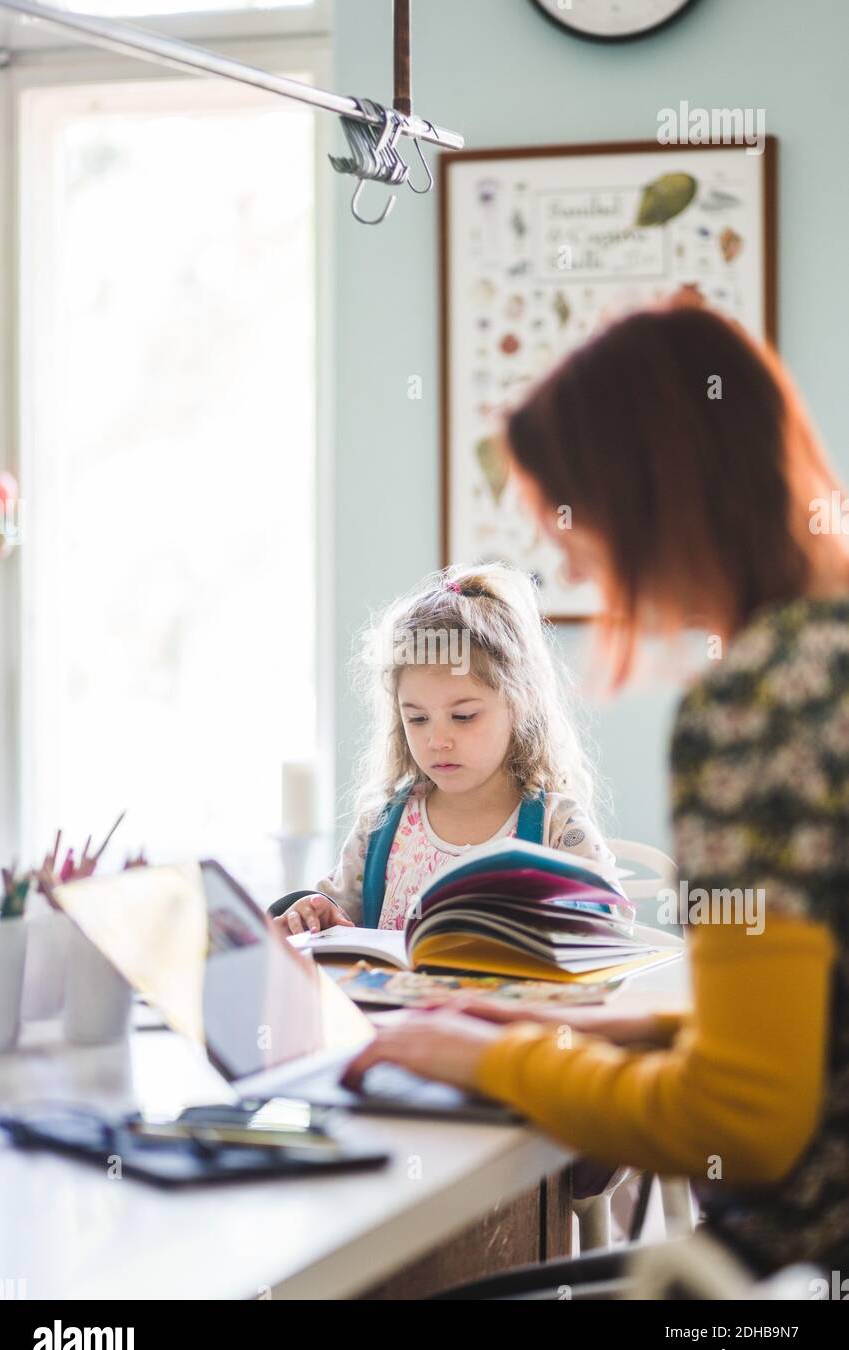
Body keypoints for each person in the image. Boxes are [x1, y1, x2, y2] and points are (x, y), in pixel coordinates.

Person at [342, 299, 849, 1293]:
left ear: (651, 493)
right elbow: (805, 1034)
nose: (570, 557)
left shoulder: (758, 703)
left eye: (577, 513)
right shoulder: (823, 654)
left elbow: (742, 1116)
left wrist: (483, 1063)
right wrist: (555, 1030)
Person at [267, 562, 626, 933]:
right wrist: (315, 911)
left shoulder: (557, 825)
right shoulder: (379, 826)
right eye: (417, 719)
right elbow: (337, 912)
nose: (437, 741)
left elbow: (610, 932)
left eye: (464, 716)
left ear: (522, 706)